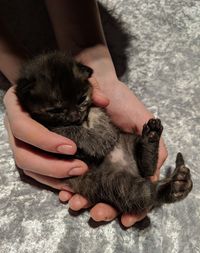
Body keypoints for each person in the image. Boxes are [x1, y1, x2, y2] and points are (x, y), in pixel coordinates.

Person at [1, 0, 167, 227]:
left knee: (136, 150)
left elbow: (100, 140)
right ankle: (159, 193)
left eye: (81, 100)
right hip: (96, 171)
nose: (73, 115)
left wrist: (105, 77)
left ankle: (147, 159)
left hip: (119, 146)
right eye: (57, 110)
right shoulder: (38, 99)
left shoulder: (78, 83)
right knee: (127, 191)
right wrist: (16, 82)